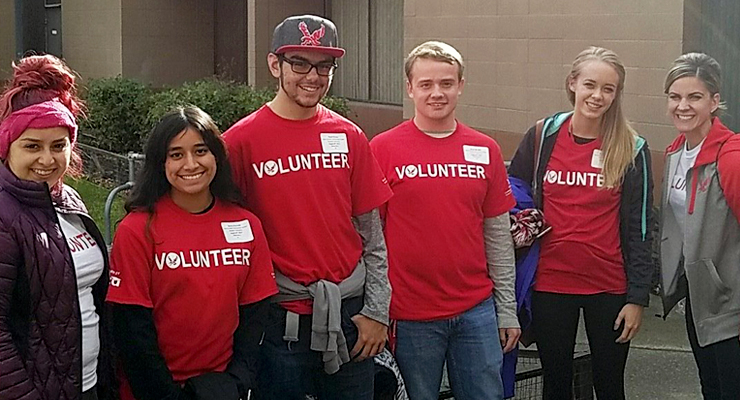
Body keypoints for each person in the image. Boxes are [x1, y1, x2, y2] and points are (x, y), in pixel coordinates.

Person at [222, 14, 393, 400]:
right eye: (299, 63)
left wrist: (377, 312)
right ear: (274, 65)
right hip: (280, 324)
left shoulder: (349, 136)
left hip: (352, 319)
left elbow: (372, 235)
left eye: (324, 65)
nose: (312, 76)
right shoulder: (239, 142)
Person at [369, 41, 519, 400]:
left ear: (461, 85)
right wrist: (375, 308)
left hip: (477, 311)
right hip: (410, 315)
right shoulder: (382, 148)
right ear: (410, 88)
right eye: (426, 84)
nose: (437, 93)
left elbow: (497, 235)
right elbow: (371, 239)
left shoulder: (486, 150)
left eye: (446, 83)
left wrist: (507, 309)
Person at [508, 47, 654, 400]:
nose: (597, 95)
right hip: (551, 285)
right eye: (590, 84)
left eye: (608, 88)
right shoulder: (543, 135)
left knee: (608, 385)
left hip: (609, 287)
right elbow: (513, 188)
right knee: (556, 384)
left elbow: (642, 228)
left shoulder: (632, 147)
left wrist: (637, 298)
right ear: (572, 83)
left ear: (617, 94)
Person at [106, 106, 277, 400]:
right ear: (160, 162)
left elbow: (255, 314)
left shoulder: (246, 225)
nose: (190, 163)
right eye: (176, 154)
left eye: (200, 151)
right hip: (154, 389)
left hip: (222, 388)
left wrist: (236, 381)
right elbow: (132, 330)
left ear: (216, 156)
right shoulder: (137, 229)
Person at [0, 54, 115, 400]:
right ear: (7, 147)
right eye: (32, 146)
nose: (47, 160)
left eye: (58, 146)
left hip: (87, 382)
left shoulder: (69, 200)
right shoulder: (5, 216)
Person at [659, 52, 740, 399]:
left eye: (694, 97)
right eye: (675, 97)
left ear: (715, 101)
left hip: (731, 304)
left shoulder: (731, 157)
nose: (683, 106)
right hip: (699, 298)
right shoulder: (675, 152)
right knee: (711, 387)